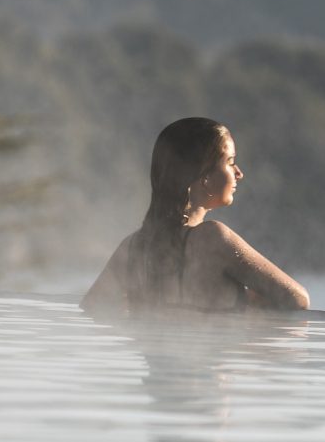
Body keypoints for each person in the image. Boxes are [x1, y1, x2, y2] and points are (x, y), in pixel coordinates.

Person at [81, 117, 309, 313]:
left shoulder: (134, 247)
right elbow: (297, 299)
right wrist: (246, 305)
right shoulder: (214, 239)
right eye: (230, 163)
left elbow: (93, 309)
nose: (239, 173)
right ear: (204, 176)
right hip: (212, 362)